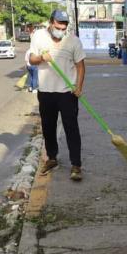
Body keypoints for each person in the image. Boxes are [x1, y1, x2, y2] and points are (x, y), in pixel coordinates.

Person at [28, 10, 86, 181]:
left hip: (67, 93)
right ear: (51, 22)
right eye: (59, 24)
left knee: (71, 129)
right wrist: (41, 58)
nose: (61, 28)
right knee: (48, 128)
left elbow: (81, 66)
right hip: (46, 92)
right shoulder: (38, 36)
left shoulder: (73, 41)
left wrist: (78, 87)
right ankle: (52, 158)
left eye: (64, 25)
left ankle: (76, 164)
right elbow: (32, 59)